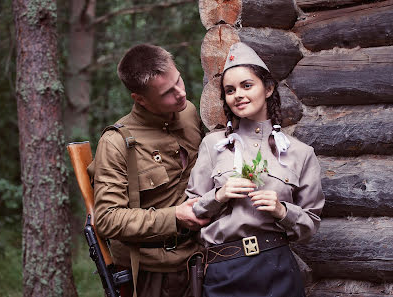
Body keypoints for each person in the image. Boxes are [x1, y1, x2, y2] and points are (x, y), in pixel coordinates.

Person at [186, 42, 325, 297]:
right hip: (224, 271)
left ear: (268, 88)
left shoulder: (300, 153)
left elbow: (310, 224)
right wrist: (219, 196)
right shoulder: (213, 145)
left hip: (278, 269)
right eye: (230, 90)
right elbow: (190, 211)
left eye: (246, 85)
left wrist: (283, 211)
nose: (238, 94)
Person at [90, 44, 209, 297]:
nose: (180, 94)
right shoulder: (116, 142)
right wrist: (174, 216)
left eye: (179, 80)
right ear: (140, 99)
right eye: (167, 92)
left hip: (202, 257)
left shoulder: (188, 112)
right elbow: (107, 219)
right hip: (152, 273)